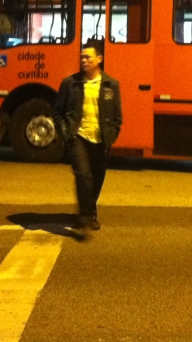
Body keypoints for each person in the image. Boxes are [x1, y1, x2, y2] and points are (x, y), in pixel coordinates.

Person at [54, 39, 122, 239]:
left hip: (101, 140)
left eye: (88, 57)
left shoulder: (111, 85)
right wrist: (66, 133)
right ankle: (84, 216)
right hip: (78, 137)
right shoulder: (70, 83)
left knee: (97, 178)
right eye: (82, 57)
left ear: (99, 59)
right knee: (83, 175)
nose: (83, 60)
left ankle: (90, 213)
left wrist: (112, 135)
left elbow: (117, 117)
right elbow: (58, 111)